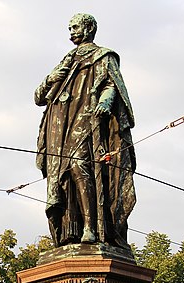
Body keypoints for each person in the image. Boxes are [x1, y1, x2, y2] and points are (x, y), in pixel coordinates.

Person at [35, 13, 136, 252]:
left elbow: (113, 85)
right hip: (59, 126)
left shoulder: (104, 56)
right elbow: (38, 97)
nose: (71, 31)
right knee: (63, 176)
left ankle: (91, 226)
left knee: (80, 166)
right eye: (69, 27)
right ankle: (72, 230)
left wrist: (106, 100)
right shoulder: (66, 61)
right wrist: (51, 78)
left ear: (89, 28)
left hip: (86, 119)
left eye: (76, 27)